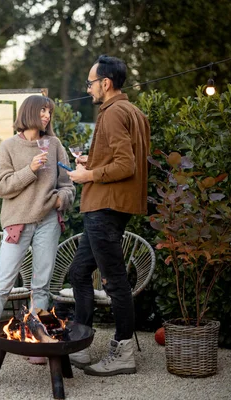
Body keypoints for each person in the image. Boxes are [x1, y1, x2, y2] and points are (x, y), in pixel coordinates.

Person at [0, 95, 75, 371]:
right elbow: (1, 187)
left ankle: (37, 341)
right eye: (43, 111)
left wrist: (62, 199)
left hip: (48, 220)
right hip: (17, 223)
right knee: (1, 286)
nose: (47, 116)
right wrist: (30, 170)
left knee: (41, 286)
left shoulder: (56, 145)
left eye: (49, 111)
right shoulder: (9, 147)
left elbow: (68, 184)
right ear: (29, 113)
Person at [65, 55, 150, 376]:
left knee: (115, 282)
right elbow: (122, 158)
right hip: (110, 205)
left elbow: (126, 166)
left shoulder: (113, 113)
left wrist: (86, 175)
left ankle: (123, 350)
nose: (88, 89)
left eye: (90, 83)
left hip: (105, 207)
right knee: (78, 273)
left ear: (106, 83)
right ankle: (80, 343)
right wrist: (93, 159)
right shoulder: (134, 112)